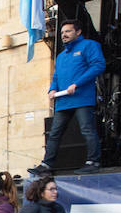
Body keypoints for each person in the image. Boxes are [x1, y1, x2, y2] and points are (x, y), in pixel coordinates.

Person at [28, 19, 106, 176]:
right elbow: (56, 75)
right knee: (55, 133)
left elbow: (98, 65)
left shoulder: (89, 46)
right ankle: (47, 164)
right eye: (62, 32)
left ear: (78, 32)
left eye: (68, 31)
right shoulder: (62, 55)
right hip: (63, 100)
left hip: (82, 97)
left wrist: (77, 84)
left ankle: (93, 161)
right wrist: (52, 89)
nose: (64, 35)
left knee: (86, 129)